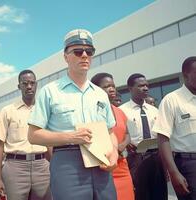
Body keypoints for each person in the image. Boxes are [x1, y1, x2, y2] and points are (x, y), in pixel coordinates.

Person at [28, 29, 118, 200]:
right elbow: (33, 135)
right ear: (65, 56)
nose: (84, 55)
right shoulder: (50, 92)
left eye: (89, 51)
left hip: (101, 162)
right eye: (78, 51)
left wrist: (114, 152)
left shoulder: (100, 94)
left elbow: (110, 132)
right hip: (67, 163)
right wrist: (71, 136)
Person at [0, 70, 51, 200]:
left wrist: (54, 168)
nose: (29, 86)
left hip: (42, 166)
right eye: (25, 83)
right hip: (15, 167)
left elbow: (50, 143)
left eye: (32, 83)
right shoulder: (7, 111)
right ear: (19, 86)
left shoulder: (45, 111)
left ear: (36, 85)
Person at [153, 56, 196, 200]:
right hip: (188, 165)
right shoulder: (172, 100)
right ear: (185, 75)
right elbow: (163, 138)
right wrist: (173, 172)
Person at [120, 73, 167, 200]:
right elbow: (120, 134)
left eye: (147, 85)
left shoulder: (155, 111)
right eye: (141, 86)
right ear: (130, 88)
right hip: (135, 158)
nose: (145, 88)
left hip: (156, 157)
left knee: (159, 193)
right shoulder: (122, 111)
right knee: (140, 194)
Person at [91, 72, 134, 200]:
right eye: (106, 86)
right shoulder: (91, 112)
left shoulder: (119, 111)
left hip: (123, 167)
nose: (111, 89)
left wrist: (122, 145)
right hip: (104, 168)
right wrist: (113, 150)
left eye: (113, 86)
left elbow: (127, 134)